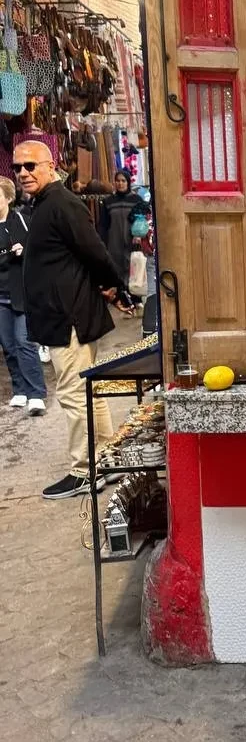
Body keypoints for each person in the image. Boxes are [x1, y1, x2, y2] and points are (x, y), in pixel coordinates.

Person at [15, 141, 127, 500]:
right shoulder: (44, 204)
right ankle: (106, 460)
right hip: (63, 314)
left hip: (70, 316)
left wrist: (116, 287)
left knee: (74, 393)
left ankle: (85, 470)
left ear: (50, 166)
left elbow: (94, 251)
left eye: (30, 165)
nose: (23, 173)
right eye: (17, 167)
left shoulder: (62, 203)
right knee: (87, 391)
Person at [0, 176, 47, 415]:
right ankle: (20, 389)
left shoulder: (20, 220)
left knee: (24, 342)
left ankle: (36, 393)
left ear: (8, 198)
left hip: (21, 293)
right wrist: (9, 253)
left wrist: (20, 250)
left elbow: (35, 249)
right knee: (8, 345)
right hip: (0, 296)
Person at [98, 169, 138, 299]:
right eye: (117, 181)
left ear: (128, 182)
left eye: (123, 181)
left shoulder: (136, 200)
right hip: (113, 242)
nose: (120, 183)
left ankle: (134, 296)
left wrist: (139, 235)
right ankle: (120, 297)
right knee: (116, 267)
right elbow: (103, 224)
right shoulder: (108, 201)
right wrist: (102, 241)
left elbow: (142, 220)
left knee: (132, 267)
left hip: (132, 240)